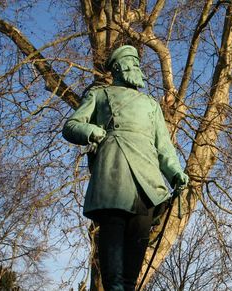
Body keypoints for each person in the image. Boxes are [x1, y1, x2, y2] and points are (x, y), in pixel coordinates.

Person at [62, 45, 188, 291]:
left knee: (131, 273)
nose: (137, 67)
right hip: (113, 179)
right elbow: (71, 126)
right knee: (114, 275)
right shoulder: (99, 95)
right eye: (131, 62)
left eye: (137, 63)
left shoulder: (151, 104)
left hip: (147, 184)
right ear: (118, 67)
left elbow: (164, 147)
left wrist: (175, 173)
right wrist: (91, 131)